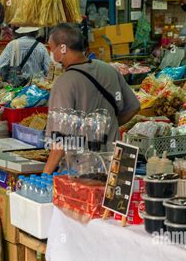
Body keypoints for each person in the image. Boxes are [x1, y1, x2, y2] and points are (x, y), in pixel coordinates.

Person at [43, 23, 140, 174]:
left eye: (51, 48)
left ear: (62, 48)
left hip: (82, 170)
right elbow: (134, 107)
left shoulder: (65, 83)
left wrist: (45, 175)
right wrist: (109, 126)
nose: (50, 53)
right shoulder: (109, 70)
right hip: (114, 163)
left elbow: (59, 143)